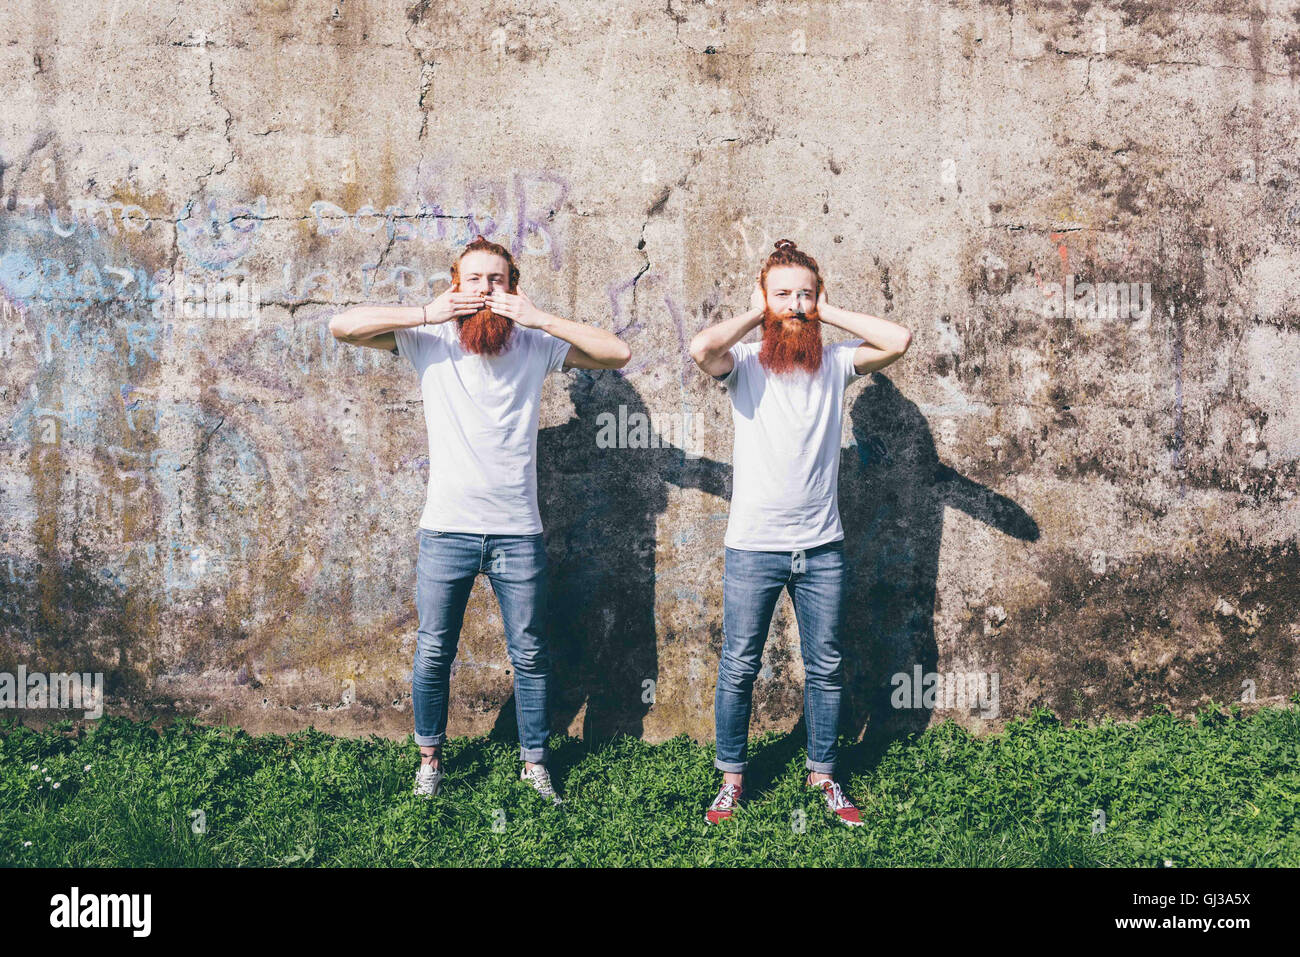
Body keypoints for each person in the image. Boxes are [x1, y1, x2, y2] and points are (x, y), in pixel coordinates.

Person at [329, 235, 631, 804]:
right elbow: (341, 327)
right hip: (446, 528)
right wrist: (427, 311)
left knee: (532, 651)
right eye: (474, 281)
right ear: (455, 286)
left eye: (497, 281)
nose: (485, 291)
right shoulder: (429, 339)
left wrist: (539, 316)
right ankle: (430, 759)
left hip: (518, 532)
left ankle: (534, 762)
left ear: (512, 289)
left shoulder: (535, 344)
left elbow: (617, 353)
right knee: (434, 649)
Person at [687, 238, 912, 826]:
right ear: (762, 299)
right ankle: (731, 778)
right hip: (753, 546)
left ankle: (824, 774)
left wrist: (822, 311)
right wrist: (761, 312)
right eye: (783, 294)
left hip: (822, 547)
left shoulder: (835, 363)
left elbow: (899, 340)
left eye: (805, 294)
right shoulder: (745, 366)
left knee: (826, 666)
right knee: (739, 665)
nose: (795, 305)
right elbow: (701, 348)